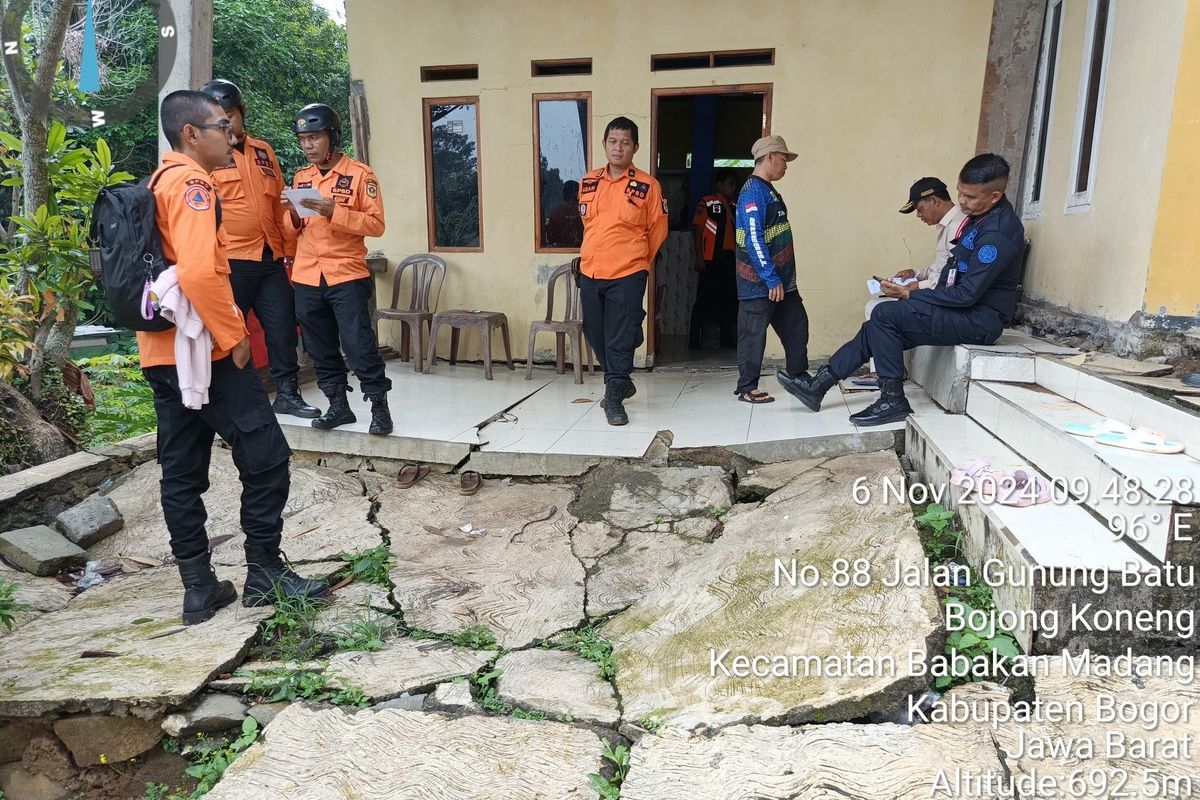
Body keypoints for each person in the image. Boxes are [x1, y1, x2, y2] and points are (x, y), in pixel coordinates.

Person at [142, 91, 328, 625]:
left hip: (162, 352)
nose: (231, 134)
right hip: (207, 352)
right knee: (267, 457)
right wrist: (235, 337)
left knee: (181, 471)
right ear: (191, 135)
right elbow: (200, 273)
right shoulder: (193, 183)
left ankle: (198, 588)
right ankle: (265, 571)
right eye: (221, 126)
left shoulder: (156, 181)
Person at [778, 153, 1026, 425]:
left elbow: (966, 294)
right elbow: (951, 276)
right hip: (961, 309)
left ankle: (892, 400)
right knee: (878, 323)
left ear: (994, 196)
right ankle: (818, 387)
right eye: (960, 194)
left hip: (980, 320)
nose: (962, 202)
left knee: (885, 316)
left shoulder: (996, 233)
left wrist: (912, 294)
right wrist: (916, 290)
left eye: (970, 197)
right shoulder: (980, 217)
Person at [199, 79, 319, 419]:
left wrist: (291, 246)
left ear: (241, 114)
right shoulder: (206, 157)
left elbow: (281, 203)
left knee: (282, 328)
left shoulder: (263, 151)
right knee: (229, 332)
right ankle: (231, 400)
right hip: (230, 259)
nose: (227, 123)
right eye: (218, 117)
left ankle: (287, 395)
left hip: (270, 258)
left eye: (231, 115)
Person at [280, 103, 392, 435]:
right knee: (320, 347)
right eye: (303, 140)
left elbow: (376, 224)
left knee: (359, 346)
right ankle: (338, 407)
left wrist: (334, 211)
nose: (307, 146)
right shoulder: (301, 178)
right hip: (307, 278)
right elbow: (292, 230)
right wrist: (293, 214)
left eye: (314, 138)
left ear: (332, 136)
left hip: (346, 275)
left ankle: (379, 408)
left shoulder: (360, 174)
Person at [577, 116, 668, 426]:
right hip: (590, 270)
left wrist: (639, 262)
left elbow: (658, 229)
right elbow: (590, 225)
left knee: (617, 334)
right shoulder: (588, 181)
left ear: (635, 147)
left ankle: (614, 395)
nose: (618, 147)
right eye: (613, 141)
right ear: (604, 145)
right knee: (593, 329)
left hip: (628, 272)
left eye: (625, 142)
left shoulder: (647, 185)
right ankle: (622, 373)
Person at [859, 177, 967, 383]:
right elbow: (940, 268)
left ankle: (888, 372)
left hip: (946, 299)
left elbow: (954, 278)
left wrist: (917, 287)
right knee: (877, 306)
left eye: (919, 208)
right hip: (937, 291)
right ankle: (890, 369)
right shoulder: (947, 225)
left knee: (878, 309)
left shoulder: (958, 227)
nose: (918, 215)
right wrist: (915, 273)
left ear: (934, 201)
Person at [733, 135, 809, 404]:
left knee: (797, 325)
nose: (786, 165)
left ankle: (799, 376)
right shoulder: (753, 193)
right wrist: (769, 277)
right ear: (771, 157)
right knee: (753, 333)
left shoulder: (768, 190)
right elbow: (753, 238)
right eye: (784, 159)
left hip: (782, 283)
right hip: (760, 283)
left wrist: (780, 280)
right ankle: (747, 387)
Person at [690, 169, 739, 349]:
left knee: (729, 299)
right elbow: (698, 232)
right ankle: (694, 339)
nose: (734, 188)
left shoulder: (735, 205)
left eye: (735, 185)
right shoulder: (707, 203)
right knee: (703, 299)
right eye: (730, 184)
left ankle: (726, 339)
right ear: (719, 185)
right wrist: (699, 258)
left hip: (730, 258)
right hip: (711, 259)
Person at [544, 180, 583, 248]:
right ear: (578, 193)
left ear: (564, 194)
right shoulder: (585, 211)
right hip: (583, 250)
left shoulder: (556, 213)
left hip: (560, 251)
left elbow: (551, 238)